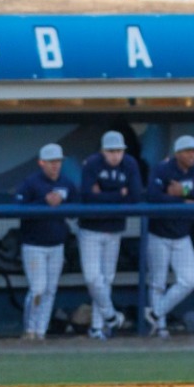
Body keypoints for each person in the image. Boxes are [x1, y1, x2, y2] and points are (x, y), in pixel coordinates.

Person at [76, 130, 143, 339]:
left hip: (115, 229)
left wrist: (103, 193)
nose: (115, 155)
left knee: (107, 279)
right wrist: (118, 194)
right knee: (93, 278)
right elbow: (87, 195)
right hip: (90, 229)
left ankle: (98, 327)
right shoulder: (92, 164)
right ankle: (111, 316)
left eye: (119, 151)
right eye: (111, 151)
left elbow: (135, 196)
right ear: (103, 151)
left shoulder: (130, 164)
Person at [145, 135, 194, 336]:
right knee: (158, 282)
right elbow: (153, 197)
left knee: (189, 280)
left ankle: (155, 313)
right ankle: (159, 326)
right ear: (178, 153)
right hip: (159, 233)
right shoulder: (163, 169)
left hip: (182, 234)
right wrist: (185, 201)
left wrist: (183, 191)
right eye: (189, 151)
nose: (193, 155)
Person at [13, 143, 78, 341]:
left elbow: (78, 204)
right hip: (34, 245)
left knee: (50, 290)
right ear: (41, 163)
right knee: (38, 288)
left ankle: (40, 331)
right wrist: (44, 203)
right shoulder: (31, 182)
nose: (55, 166)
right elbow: (17, 206)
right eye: (51, 162)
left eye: (58, 161)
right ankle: (29, 329)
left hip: (56, 245)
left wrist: (63, 202)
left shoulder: (66, 183)